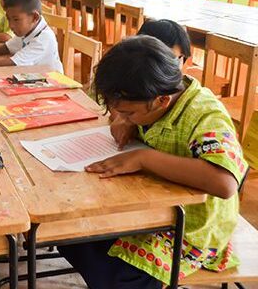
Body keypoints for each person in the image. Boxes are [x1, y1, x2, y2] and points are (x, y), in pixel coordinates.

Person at [59, 36, 247, 288]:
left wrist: (144, 158)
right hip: (150, 210)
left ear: (161, 101)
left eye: (128, 112)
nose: (123, 115)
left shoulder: (205, 114)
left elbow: (224, 183)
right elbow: (120, 105)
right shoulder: (150, 96)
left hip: (190, 231)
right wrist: (123, 119)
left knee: (118, 273)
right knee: (70, 234)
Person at [110, 19, 192, 149]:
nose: (163, 68)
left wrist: (144, 159)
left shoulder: (197, 111)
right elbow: (108, 98)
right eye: (155, 60)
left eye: (173, 60)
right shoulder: (128, 76)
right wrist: (122, 117)